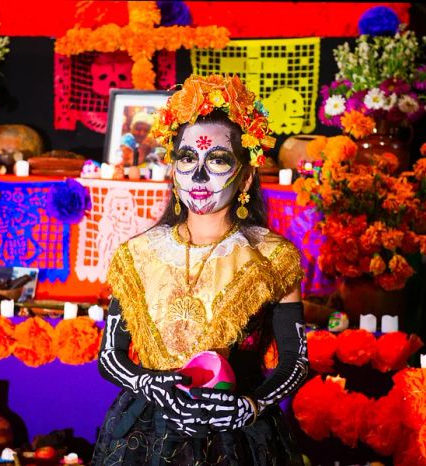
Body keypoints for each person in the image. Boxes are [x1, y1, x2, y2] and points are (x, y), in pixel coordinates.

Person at [93, 74, 308, 465]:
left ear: (245, 175)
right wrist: (148, 382)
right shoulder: (137, 254)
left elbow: (295, 360)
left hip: (237, 433)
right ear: (173, 170)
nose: (199, 176)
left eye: (218, 159)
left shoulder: (273, 256)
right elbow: (110, 355)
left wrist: (250, 406)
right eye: (187, 158)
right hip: (146, 432)